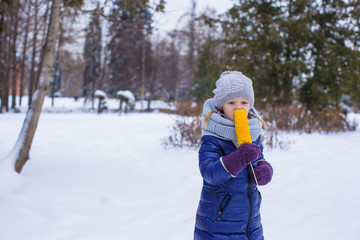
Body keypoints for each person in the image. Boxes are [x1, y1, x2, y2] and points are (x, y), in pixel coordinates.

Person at [194, 71, 273, 240]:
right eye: (231, 102)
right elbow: (209, 172)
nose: (239, 107)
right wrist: (239, 158)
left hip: (250, 222)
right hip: (218, 223)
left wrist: (264, 169)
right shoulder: (213, 136)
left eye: (244, 102)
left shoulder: (253, 132)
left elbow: (258, 157)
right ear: (221, 106)